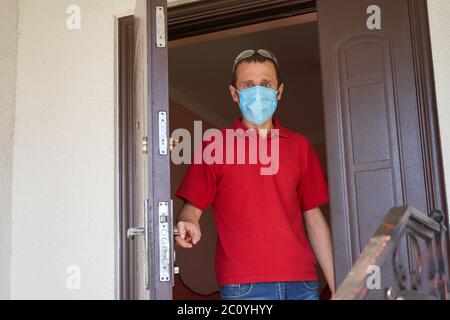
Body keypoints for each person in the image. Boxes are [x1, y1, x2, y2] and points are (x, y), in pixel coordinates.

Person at [175, 49, 335, 300]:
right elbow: (191, 210)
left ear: (279, 91)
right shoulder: (214, 145)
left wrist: (337, 286)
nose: (258, 92)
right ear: (234, 93)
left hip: (303, 284)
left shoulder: (300, 146)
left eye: (266, 84)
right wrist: (188, 221)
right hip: (244, 287)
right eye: (248, 85)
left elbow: (313, 217)